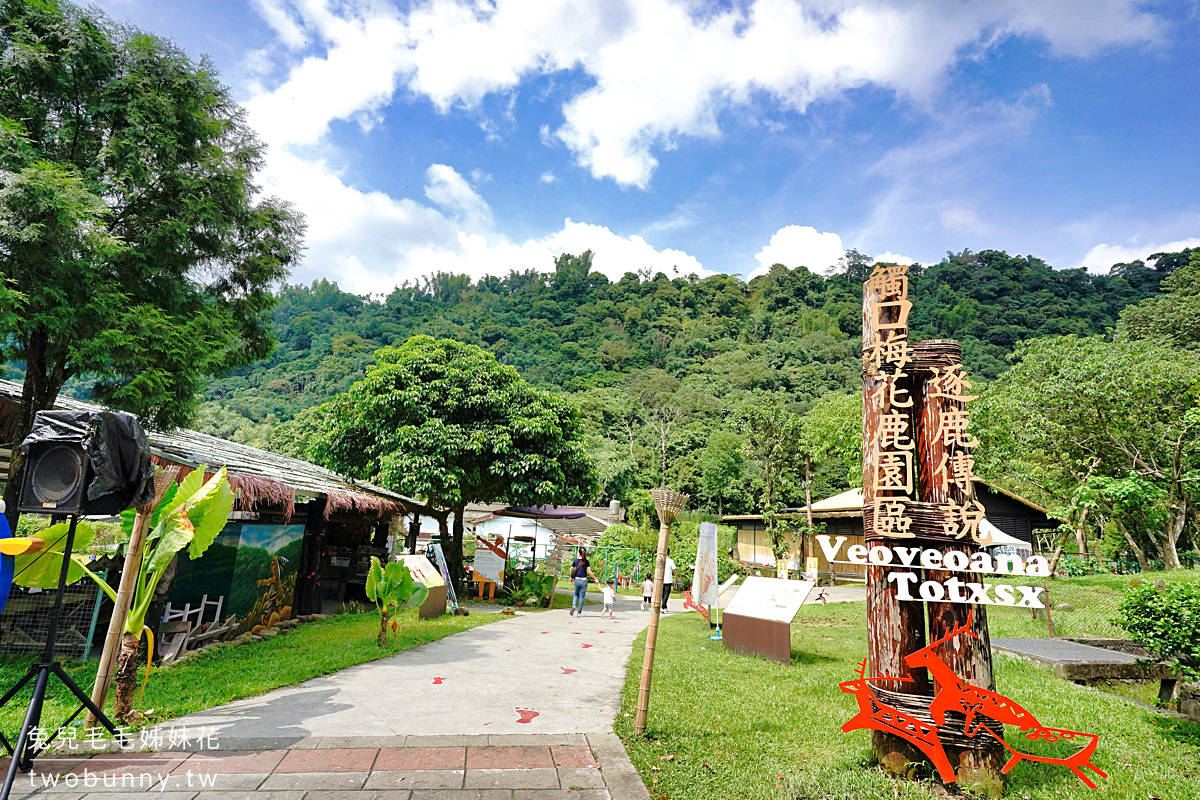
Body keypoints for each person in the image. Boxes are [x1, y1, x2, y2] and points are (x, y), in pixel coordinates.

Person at [569, 547, 600, 616]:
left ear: (579, 553)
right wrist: (595, 578)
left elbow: (571, 569)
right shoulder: (586, 561)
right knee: (582, 596)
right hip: (584, 581)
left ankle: (574, 605)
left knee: (576, 594)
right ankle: (579, 613)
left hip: (576, 579)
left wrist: (571, 577)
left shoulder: (575, 560)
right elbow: (589, 571)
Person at [661, 549, 677, 613]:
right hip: (668, 580)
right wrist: (677, 577)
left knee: (663, 594)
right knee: (666, 594)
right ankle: (662, 607)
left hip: (662, 579)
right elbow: (674, 570)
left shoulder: (662, 561)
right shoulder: (671, 561)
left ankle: (665, 607)